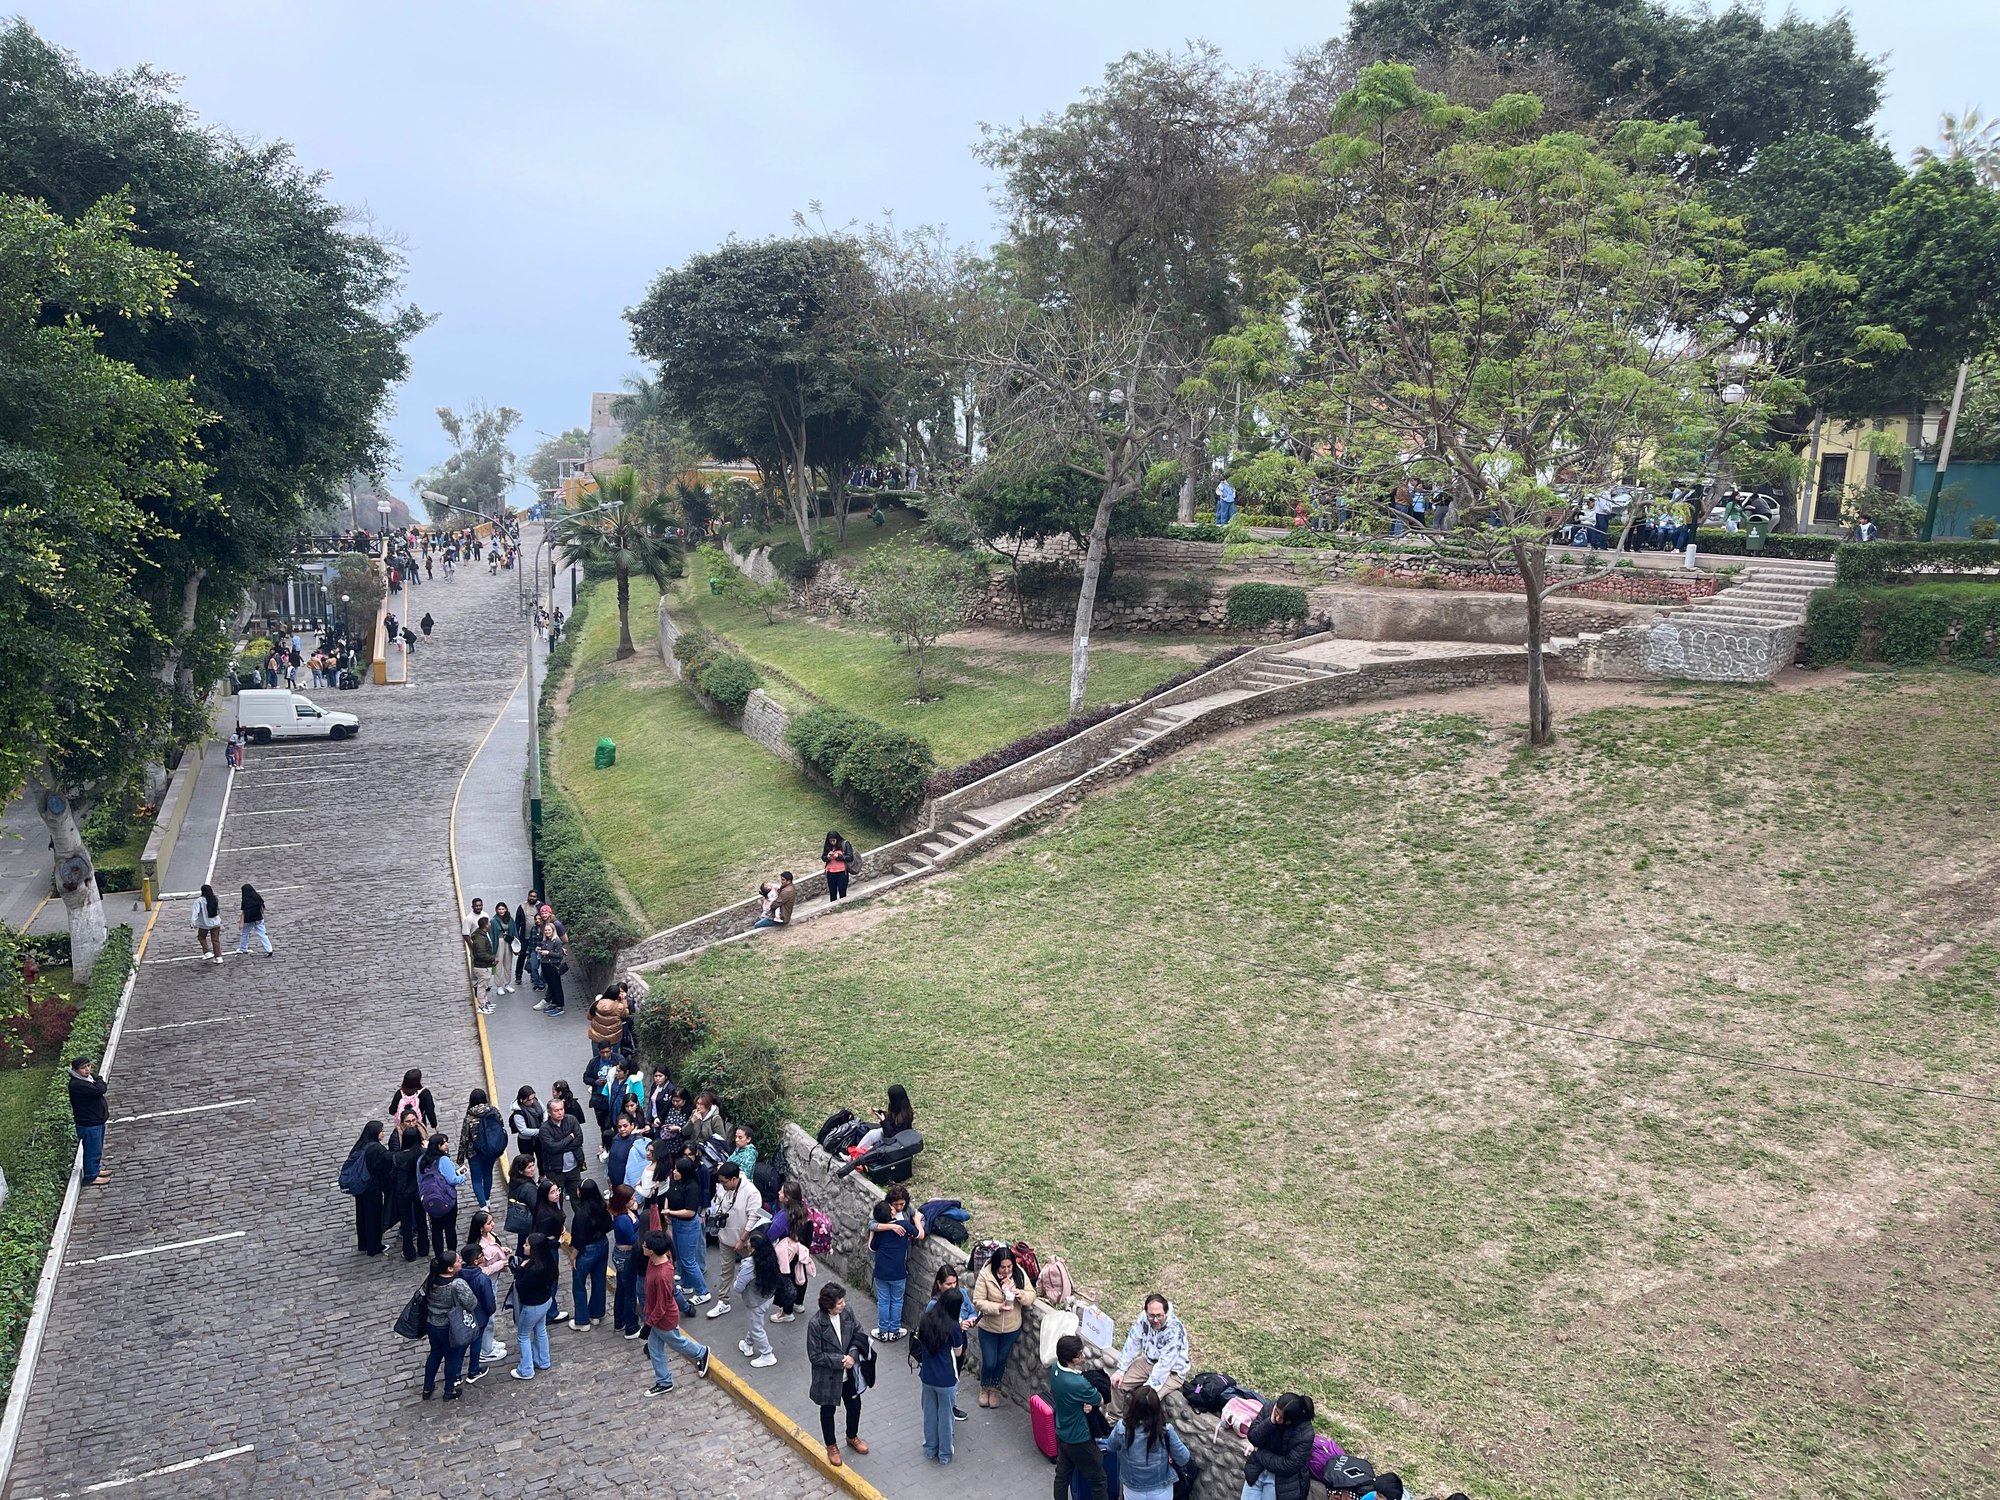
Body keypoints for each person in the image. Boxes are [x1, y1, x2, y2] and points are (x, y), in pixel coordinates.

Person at [806, 1282, 873, 1467]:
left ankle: (852, 1436)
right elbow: (815, 1355)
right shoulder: (816, 1324)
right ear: (829, 1305)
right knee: (828, 1411)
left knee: (855, 1406)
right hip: (828, 1377)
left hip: (849, 1374)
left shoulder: (847, 1312)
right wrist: (841, 1360)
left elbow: (858, 1333)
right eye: (839, 1302)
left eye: (843, 1301)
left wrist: (852, 1355)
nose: (843, 1304)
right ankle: (831, 1446)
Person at [641, 1228, 713, 1393]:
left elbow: (662, 1305)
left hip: (663, 1319)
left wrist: (649, 1324)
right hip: (655, 1317)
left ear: (652, 1251)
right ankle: (664, 1381)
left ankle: (701, 1352)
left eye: (645, 1245)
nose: (643, 1246)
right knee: (655, 1349)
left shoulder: (662, 1275)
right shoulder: (656, 1260)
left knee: (677, 1342)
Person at [972, 1244, 1038, 1408]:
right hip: (989, 1327)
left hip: (1010, 1328)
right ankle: (984, 1387)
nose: (1007, 1270)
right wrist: (998, 1307)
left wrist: (1020, 1294)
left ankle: (994, 1388)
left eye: (1009, 1266)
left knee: (1001, 1360)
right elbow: (978, 1301)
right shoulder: (986, 1275)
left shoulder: (1018, 1274)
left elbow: (1031, 1295)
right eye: (1003, 1267)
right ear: (996, 1265)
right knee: (989, 1361)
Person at [1110, 1293, 1191, 1418]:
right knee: (1117, 1384)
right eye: (1151, 1316)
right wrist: (1121, 1370)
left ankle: (1139, 1427)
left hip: (1172, 1372)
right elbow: (1133, 1342)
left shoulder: (1175, 1330)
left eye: (1159, 1315)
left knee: (1146, 1402)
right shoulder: (1144, 1318)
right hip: (1148, 1362)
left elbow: (1165, 1365)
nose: (1155, 1320)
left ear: (1166, 1312)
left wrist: (1147, 1389)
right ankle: (1113, 1420)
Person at [1109, 1384, 1193, 1500]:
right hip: (1161, 1489)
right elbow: (1183, 1458)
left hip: (1133, 1488)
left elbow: (1111, 1446)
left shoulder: (1122, 1428)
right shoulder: (1165, 1431)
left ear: (1134, 1407)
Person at [701, 1161, 763, 1318]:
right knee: (725, 1271)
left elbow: (753, 1218)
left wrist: (742, 1240)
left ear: (734, 1179)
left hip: (746, 1243)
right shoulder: (723, 1188)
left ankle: (757, 1297)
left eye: (724, 1182)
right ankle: (723, 1301)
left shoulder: (751, 1192)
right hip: (725, 1238)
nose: (721, 1185)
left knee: (752, 1270)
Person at [1050, 1333, 1107, 1500]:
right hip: (1079, 1439)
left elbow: (1070, 1398)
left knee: (1062, 1477)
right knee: (1098, 1480)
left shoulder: (1055, 1368)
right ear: (1073, 1360)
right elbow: (1099, 1399)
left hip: (1062, 1432)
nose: (1083, 1356)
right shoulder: (1078, 1383)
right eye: (1080, 1354)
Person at [916, 1287, 968, 1464]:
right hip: (946, 1379)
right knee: (945, 1418)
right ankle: (945, 1454)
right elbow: (958, 1352)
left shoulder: (926, 1318)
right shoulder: (953, 1326)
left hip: (927, 1376)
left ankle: (930, 1449)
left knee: (930, 1414)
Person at [419, 1250, 477, 1401]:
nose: (461, 1261)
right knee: (452, 1358)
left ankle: (427, 1388)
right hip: (449, 1327)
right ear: (450, 1269)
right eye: (458, 1261)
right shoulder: (457, 1284)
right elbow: (471, 1303)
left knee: (435, 1354)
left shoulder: (431, 1279)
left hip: (432, 1325)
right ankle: (449, 1391)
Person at [1242, 1392, 1317, 1500]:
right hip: (1256, 1471)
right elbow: (1253, 1437)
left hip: (1280, 1483)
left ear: (1289, 1421)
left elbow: (1287, 1466)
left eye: (1280, 1417)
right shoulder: (1269, 1407)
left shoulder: (1305, 1434)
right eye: (1276, 1412)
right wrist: (1270, 1422)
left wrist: (1259, 1454)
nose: (1276, 1418)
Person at [868, 1194, 922, 1341]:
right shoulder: (903, 1225)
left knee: (883, 1301)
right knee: (897, 1301)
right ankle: (894, 1330)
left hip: (881, 1272)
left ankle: (883, 1331)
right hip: (898, 1272)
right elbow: (918, 1234)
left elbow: (872, 1247)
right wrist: (917, 1220)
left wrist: (873, 1232)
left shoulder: (880, 1231)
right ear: (891, 1213)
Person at [509, 1232, 559, 1382]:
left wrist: (519, 1269)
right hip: (545, 1301)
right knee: (540, 1330)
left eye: (526, 1245)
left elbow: (521, 1286)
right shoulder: (547, 1262)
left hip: (532, 1306)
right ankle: (543, 1361)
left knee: (523, 1336)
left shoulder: (532, 1269)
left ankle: (526, 1370)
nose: (523, 1246)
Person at [566, 1178, 614, 1331]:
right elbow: (609, 1225)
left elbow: (578, 1239)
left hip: (587, 1250)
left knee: (579, 1284)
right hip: (602, 1244)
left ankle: (582, 1321)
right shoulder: (602, 1207)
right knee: (599, 1280)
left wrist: (573, 1256)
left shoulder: (581, 1214)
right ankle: (596, 1313)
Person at [731, 1230, 783, 1368]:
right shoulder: (770, 1258)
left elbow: (738, 1287)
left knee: (757, 1329)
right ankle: (748, 1344)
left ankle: (767, 1354)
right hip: (767, 1297)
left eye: (750, 1242)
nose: (747, 1243)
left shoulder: (749, 1266)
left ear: (754, 1248)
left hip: (754, 1302)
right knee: (755, 1324)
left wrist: (738, 1278)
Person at [665, 1154, 711, 1303]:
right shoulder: (676, 1182)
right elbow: (668, 1195)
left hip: (688, 1227)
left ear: (685, 1172)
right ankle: (686, 1286)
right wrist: (667, 1210)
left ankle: (703, 1292)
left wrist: (670, 1212)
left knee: (688, 1260)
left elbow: (690, 1212)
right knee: (681, 1257)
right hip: (677, 1224)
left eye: (677, 1170)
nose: (674, 1172)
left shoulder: (692, 1187)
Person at [388, 1106, 430, 1261]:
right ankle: (424, 1248)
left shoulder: (398, 1157)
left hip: (403, 1192)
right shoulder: (423, 1154)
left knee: (406, 1223)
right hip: (419, 1190)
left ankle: (409, 1252)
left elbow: (393, 1175)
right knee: (421, 1220)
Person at [347, 1120, 393, 1254]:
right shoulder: (377, 1149)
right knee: (373, 1217)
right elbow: (385, 1166)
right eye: (381, 1131)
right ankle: (374, 1246)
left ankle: (364, 1243)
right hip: (372, 1189)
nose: (383, 1133)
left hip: (360, 1187)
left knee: (362, 1216)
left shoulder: (359, 1145)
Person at [417, 1132, 466, 1253]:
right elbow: (452, 1180)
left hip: (430, 1199)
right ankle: (452, 1254)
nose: (447, 1144)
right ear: (438, 1146)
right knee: (450, 1228)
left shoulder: (422, 1160)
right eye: (444, 1143)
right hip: (447, 1198)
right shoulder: (443, 1160)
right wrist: (462, 1177)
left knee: (436, 1229)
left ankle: (439, 1256)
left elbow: (419, 1180)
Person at [455, 1087, 504, 1207]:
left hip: (474, 1153)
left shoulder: (469, 1117)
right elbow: (501, 1127)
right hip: (491, 1150)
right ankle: (487, 1199)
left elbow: (464, 1139)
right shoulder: (494, 1111)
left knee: (476, 1180)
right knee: (488, 1174)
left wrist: (460, 1159)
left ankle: (483, 1206)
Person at [67, 1056, 110, 1186]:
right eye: (83, 1068)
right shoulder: (78, 1084)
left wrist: (97, 1079)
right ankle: (91, 1176)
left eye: (88, 1066)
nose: (87, 1070)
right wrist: (100, 1080)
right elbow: (100, 1089)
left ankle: (95, 1170)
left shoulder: (86, 1079)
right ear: (76, 1070)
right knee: (92, 1150)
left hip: (95, 1121)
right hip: (89, 1124)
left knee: (97, 1149)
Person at [537, 1094, 585, 1202]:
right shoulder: (544, 1129)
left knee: (577, 1198)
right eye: (556, 1110)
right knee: (557, 1200)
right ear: (549, 1112)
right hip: (555, 1171)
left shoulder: (571, 1120)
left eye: (562, 1109)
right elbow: (552, 1148)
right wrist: (569, 1138)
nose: (560, 1112)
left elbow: (579, 1139)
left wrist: (560, 1146)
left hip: (574, 1168)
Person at [856, 1083, 914, 1154]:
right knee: (872, 1134)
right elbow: (891, 1117)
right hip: (890, 1133)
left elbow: (891, 1137)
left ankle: (857, 1157)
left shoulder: (904, 1117)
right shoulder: (900, 1108)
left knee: (874, 1147)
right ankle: (854, 1153)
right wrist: (879, 1111)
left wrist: (883, 1121)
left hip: (897, 1142)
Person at [535, 917, 569, 1016]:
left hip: (553, 966)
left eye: (549, 930)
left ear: (553, 931)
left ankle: (559, 1006)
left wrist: (548, 953)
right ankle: (554, 1003)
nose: (547, 932)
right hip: (545, 965)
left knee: (556, 986)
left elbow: (559, 954)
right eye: (546, 930)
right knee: (550, 985)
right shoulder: (545, 941)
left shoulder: (557, 941)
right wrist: (539, 950)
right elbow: (543, 950)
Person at [466, 916, 497, 1015]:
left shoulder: (481, 935)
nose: (490, 924)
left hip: (483, 965)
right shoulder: (480, 938)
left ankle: (485, 1002)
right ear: (486, 925)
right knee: (482, 987)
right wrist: (492, 959)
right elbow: (481, 953)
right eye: (489, 923)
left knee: (484, 986)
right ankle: (482, 1006)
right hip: (482, 966)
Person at [191, 884, 224, 964]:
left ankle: (207, 952)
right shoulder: (214, 899)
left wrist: (193, 922)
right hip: (215, 923)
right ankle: (218, 957)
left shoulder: (199, 901)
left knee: (201, 937)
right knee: (215, 940)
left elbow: (195, 912)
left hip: (204, 924)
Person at [236, 884, 272, 956]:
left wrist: (241, 922)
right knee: (263, 934)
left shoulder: (245, 901)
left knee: (245, 934)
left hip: (249, 920)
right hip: (259, 919)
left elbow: (243, 912)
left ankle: (243, 948)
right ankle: (269, 949)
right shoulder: (257, 897)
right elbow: (262, 907)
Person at [822, 830, 854, 902]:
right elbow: (823, 857)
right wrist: (828, 857)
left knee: (842, 893)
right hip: (830, 872)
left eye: (833, 840)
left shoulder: (844, 844)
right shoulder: (828, 846)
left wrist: (839, 856)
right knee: (832, 894)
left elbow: (850, 857)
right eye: (830, 841)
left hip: (842, 872)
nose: (832, 842)